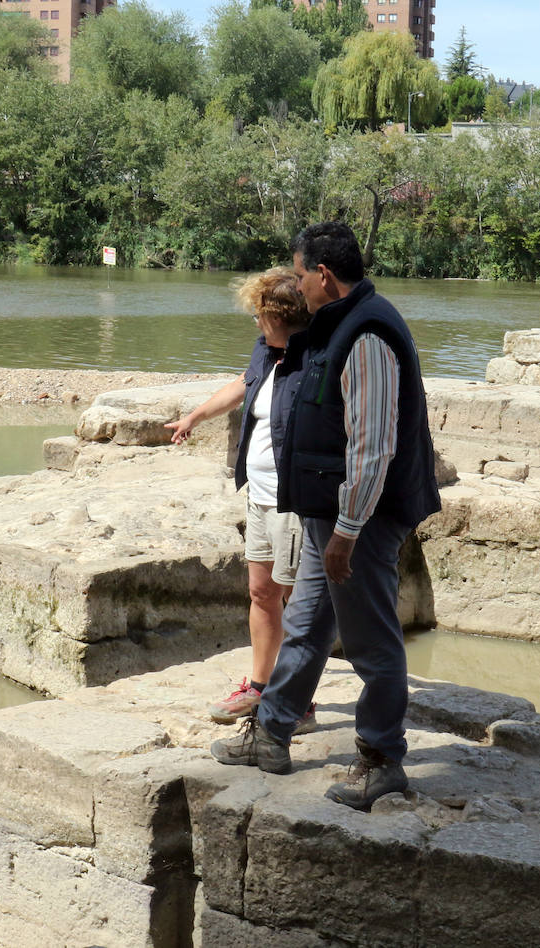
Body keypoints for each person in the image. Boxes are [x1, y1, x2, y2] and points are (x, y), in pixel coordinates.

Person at [210, 221, 441, 811]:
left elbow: (372, 446)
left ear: (324, 276)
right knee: (308, 623)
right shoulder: (339, 325)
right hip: (329, 514)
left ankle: (382, 759)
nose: (297, 284)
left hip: (356, 520)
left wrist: (347, 531)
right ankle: (272, 733)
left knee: (371, 643)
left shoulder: (366, 335)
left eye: (301, 273)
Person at [165, 268, 315, 732]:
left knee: (295, 603)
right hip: (260, 494)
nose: (254, 322)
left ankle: (298, 702)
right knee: (260, 592)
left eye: (258, 314)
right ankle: (258, 685)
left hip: (294, 501)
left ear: (278, 316)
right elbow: (242, 387)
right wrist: (193, 416)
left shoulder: (313, 360)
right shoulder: (267, 353)